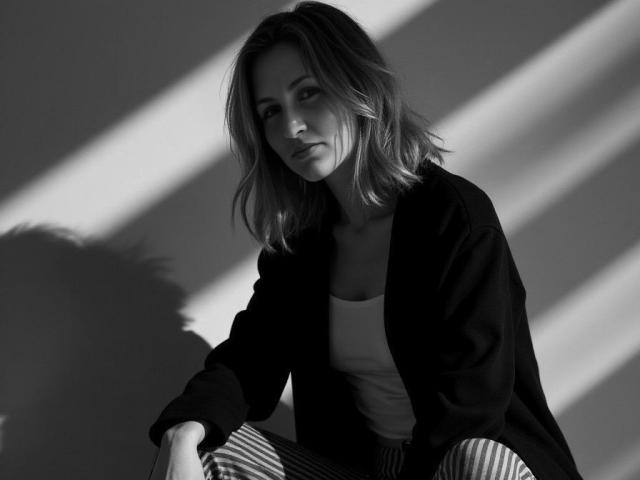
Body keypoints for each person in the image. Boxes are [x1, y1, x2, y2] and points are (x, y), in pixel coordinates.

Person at [148, 2, 582, 479]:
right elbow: (250, 362)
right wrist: (182, 432)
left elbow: (470, 408)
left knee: (475, 459)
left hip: (462, 465)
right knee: (210, 444)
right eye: (271, 111)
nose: (291, 127)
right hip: (368, 468)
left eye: (308, 93)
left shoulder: (453, 218)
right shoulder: (300, 248)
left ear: (358, 85)